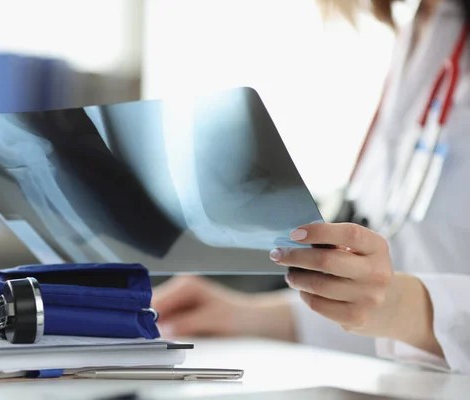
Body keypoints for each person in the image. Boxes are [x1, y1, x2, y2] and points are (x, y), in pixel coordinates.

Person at [152, 0, 470, 375]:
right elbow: (385, 308)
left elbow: (400, 304)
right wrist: (246, 315)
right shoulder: (423, 29)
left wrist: (400, 304)